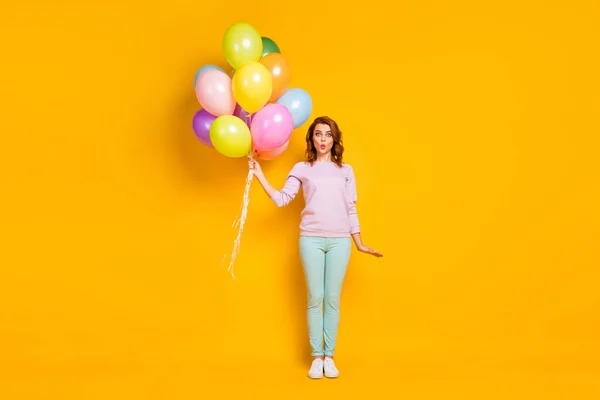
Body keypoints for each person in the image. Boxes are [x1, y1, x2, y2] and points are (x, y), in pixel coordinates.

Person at [249, 116, 383, 379]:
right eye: (318, 134)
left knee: (332, 300)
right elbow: (281, 199)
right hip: (310, 239)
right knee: (315, 298)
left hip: (340, 240)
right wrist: (259, 174)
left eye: (328, 135)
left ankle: (330, 357)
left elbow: (350, 208)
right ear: (311, 138)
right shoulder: (302, 168)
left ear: (335, 140)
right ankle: (316, 358)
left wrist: (359, 243)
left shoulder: (346, 170)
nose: (323, 139)